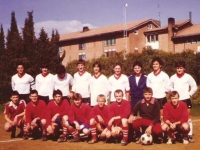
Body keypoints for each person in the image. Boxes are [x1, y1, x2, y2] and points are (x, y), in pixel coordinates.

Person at [170, 60, 197, 142]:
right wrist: (173, 95)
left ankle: (189, 135)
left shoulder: (188, 77)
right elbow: (169, 87)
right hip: (175, 100)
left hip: (185, 99)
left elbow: (194, 86)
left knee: (187, 118)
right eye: (177, 68)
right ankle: (178, 133)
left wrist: (189, 94)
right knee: (176, 117)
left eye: (181, 68)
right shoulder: (173, 77)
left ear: (184, 68)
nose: (179, 70)